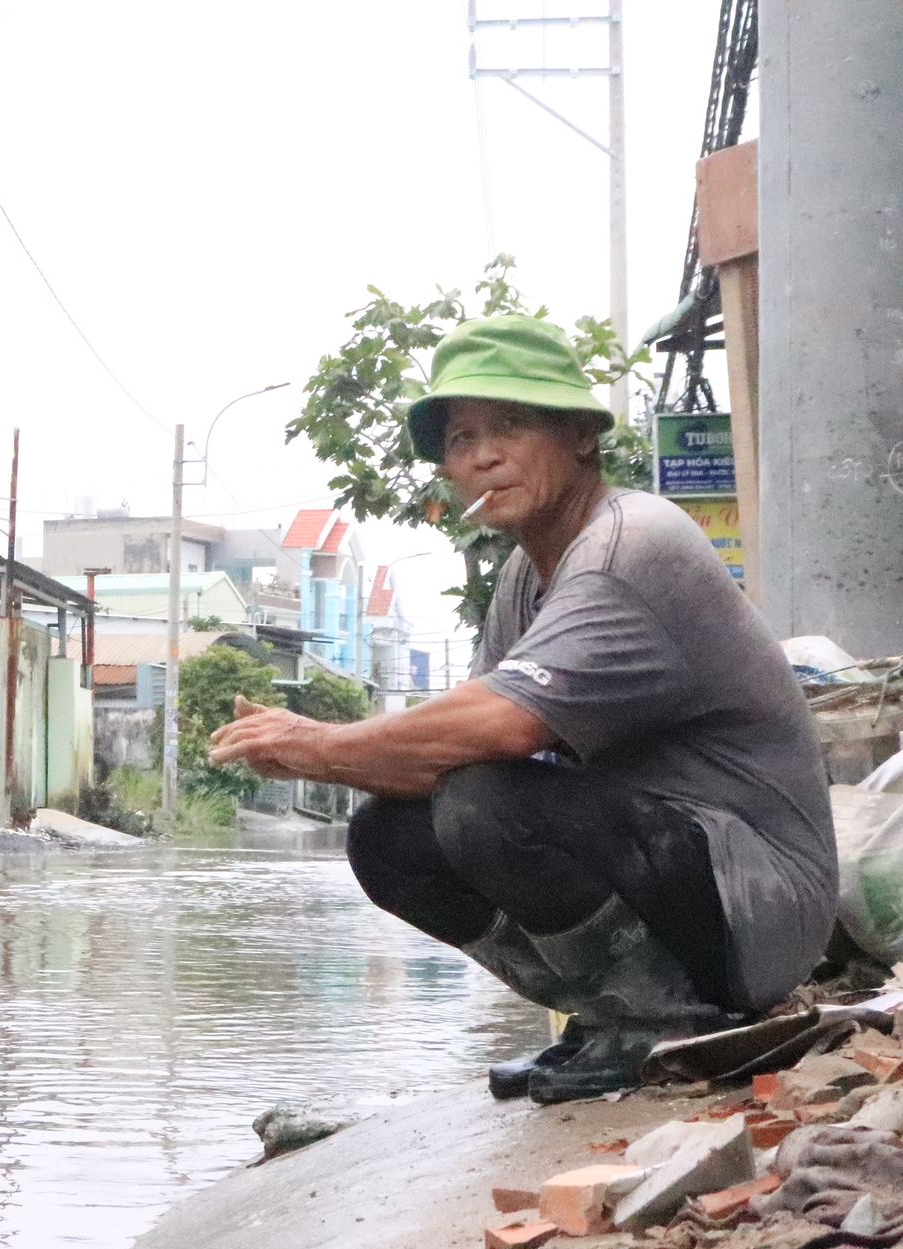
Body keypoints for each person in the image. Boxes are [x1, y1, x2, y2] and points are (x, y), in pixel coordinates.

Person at [209, 314, 837, 1104]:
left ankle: (665, 1018)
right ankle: (607, 1015)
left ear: (580, 435)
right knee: (387, 835)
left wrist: (318, 741)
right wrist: (330, 754)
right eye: (462, 438)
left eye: (510, 424)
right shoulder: (522, 578)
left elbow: (505, 729)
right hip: (685, 875)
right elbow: (455, 751)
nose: (483, 457)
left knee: (487, 805)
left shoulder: (627, 549)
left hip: (762, 902)